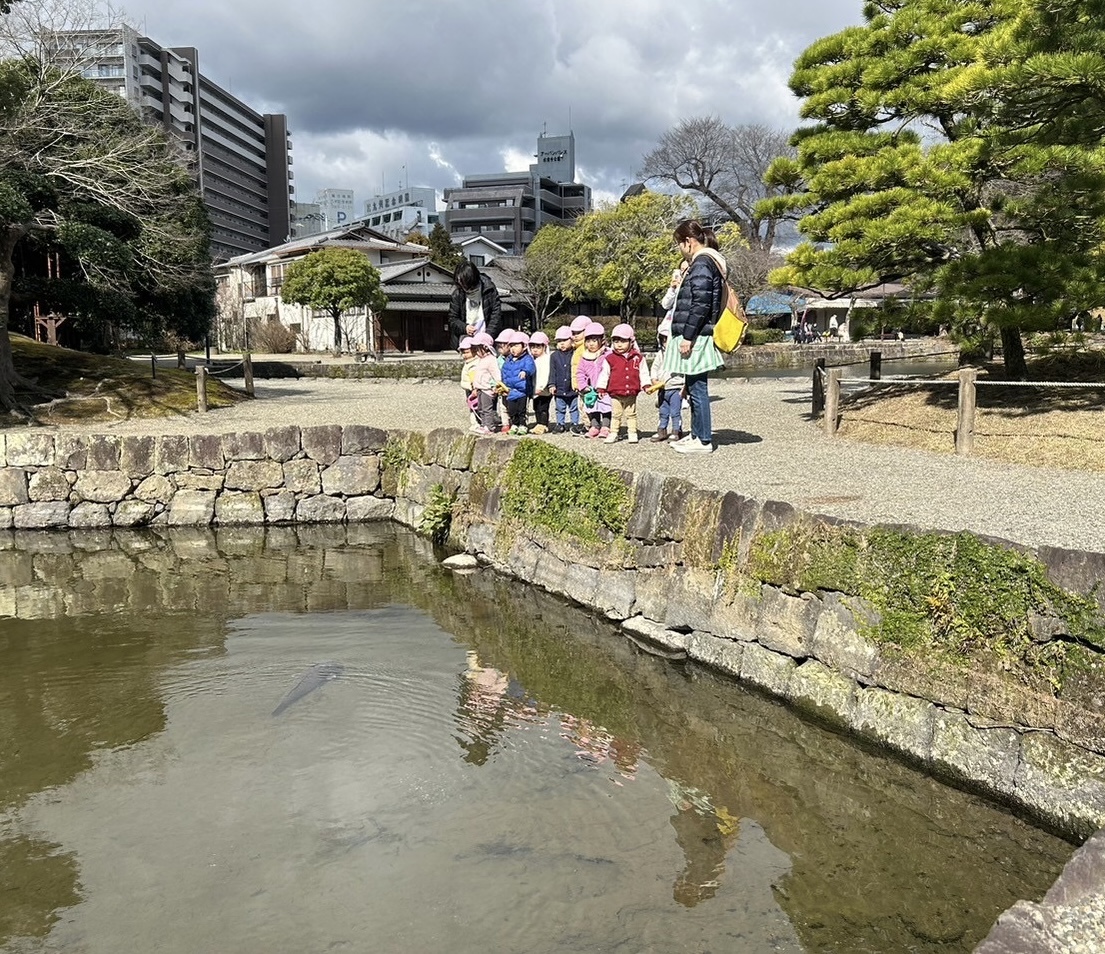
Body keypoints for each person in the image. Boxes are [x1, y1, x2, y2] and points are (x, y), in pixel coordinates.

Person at [666, 219, 726, 454]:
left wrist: (688, 336)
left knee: (698, 388)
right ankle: (697, 435)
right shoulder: (707, 262)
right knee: (693, 387)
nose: (679, 250)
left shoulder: (702, 263)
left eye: (679, 244)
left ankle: (703, 440)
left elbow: (700, 304)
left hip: (698, 335)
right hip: (699, 333)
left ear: (688, 242)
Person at [597, 323, 650, 443]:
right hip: (615, 392)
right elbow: (604, 374)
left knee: (631, 414)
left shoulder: (638, 358)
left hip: (631, 391)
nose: (619, 344)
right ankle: (613, 432)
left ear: (631, 342)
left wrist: (646, 384)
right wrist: (601, 388)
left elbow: (643, 372)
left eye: (623, 341)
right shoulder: (610, 358)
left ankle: (632, 432)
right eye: (616, 341)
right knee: (616, 414)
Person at [447, 260, 502, 349]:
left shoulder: (489, 289)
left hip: (486, 338)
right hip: (465, 340)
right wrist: (465, 328)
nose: (462, 285)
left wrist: (488, 336)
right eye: (459, 282)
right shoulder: (457, 294)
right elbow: (452, 319)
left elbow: (496, 315)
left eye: (464, 282)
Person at [648, 317, 684, 442]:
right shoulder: (660, 354)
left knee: (675, 412)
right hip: (662, 389)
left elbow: (685, 372)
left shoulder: (680, 356)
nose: (666, 343)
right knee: (663, 411)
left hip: (675, 388)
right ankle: (661, 430)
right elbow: (654, 368)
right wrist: (653, 379)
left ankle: (676, 430)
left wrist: (685, 388)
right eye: (664, 340)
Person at [575, 321, 612, 439]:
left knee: (606, 407)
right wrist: (583, 385)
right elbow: (580, 372)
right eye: (588, 341)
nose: (591, 344)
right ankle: (595, 426)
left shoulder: (608, 354)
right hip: (591, 388)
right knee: (592, 407)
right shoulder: (585, 357)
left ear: (601, 340)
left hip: (606, 388)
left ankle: (606, 426)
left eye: (594, 341)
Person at [500, 330, 536, 434]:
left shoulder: (527, 358)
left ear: (524, 346)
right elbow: (504, 372)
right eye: (511, 346)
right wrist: (502, 385)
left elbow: (531, 367)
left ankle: (523, 424)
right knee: (512, 410)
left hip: (522, 390)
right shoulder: (509, 360)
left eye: (516, 346)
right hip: (511, 391)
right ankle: (514, 424)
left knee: (522, 410)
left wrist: (525, 371)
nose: (513, 349)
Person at [549, 325, 581, 434]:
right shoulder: (554, 356)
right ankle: (560, 424)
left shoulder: (576, 353)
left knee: (574, 407)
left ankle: (575, 424)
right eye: (559, 341)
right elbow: (552, 372)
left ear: (571, 340)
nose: (561, 343)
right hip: (559, 388)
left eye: (564, 340)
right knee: (559, 408)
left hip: (572, 387)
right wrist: (552, 384)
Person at [470, 332, 502, 434]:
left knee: (487, 409)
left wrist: (496, 386)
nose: (476, 352)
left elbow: (496, 374)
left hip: (487, 389)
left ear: (485, 347)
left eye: (477, 349)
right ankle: (484, 425)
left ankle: (489, 426)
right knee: (481, 408)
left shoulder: (491, 360)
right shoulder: (481, 359)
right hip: (480, 388)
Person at [528, 331, 552, 434]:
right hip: (535, 389)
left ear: (544, 347)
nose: (535, 350)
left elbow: (546, 374)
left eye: (538, 347)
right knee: (536, 407)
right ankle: (539, 423)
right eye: (533, 347)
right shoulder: (533, 359)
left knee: (543, 408)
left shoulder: (546, 359)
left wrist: (541, 386)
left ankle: (543, 424)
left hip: (543, 390)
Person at [458, 335, 480, 431]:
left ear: (475, 351)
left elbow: (473, 378)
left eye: (467, 352)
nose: (464, 355)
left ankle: (477, 423)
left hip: (472, 388)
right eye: (463, 353)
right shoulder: (469, 362)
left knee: (475, 406)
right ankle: (475, 422)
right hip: (468, 387)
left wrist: (474, 388)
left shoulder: (473, 364)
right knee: (472, 406)